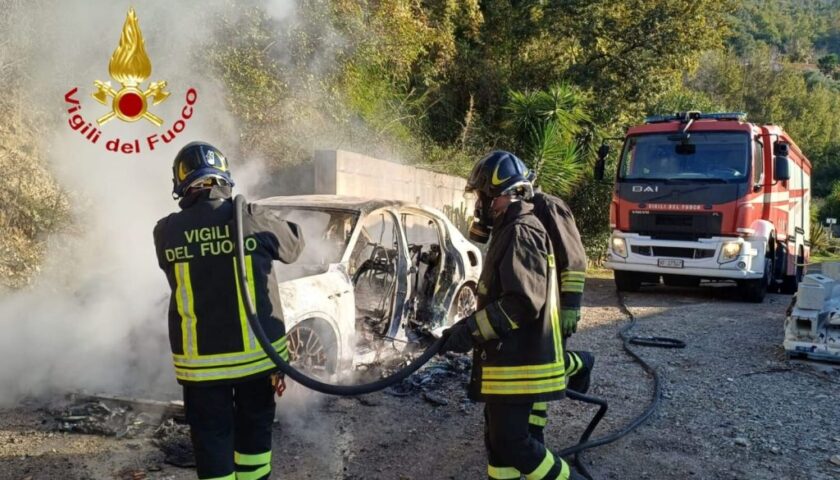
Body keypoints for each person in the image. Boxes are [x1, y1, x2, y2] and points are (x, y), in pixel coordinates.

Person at [153, 141, 304, 480]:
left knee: (212, 442)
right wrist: (259, 217)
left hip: (202, 369)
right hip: (259, 362)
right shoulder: (252, 218)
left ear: (181, 183)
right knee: (254, 437)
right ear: (224, 177)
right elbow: (295, 245)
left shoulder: (166, 231)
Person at [441, 150, 584, 480]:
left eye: (482, 196)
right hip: (509, 361)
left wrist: (470, 331)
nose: (479, 205)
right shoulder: (510, 228)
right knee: (498, 444)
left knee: (513, 442)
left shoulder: (521, 230)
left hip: (519, 364)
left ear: (502, 194)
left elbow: (521, 302)